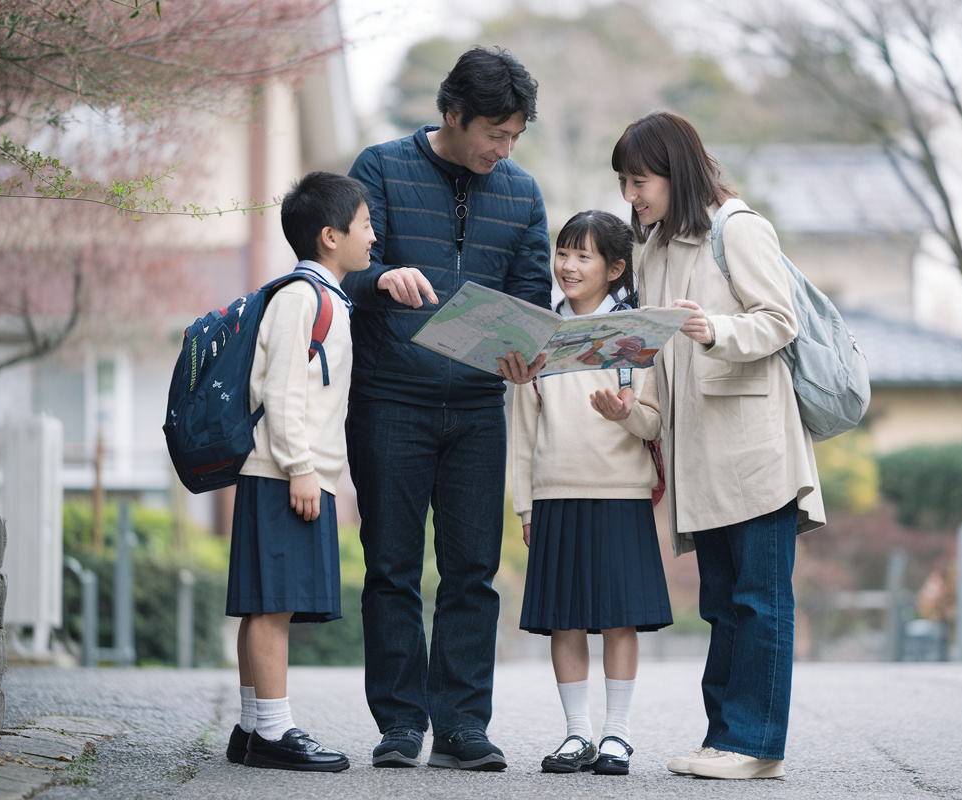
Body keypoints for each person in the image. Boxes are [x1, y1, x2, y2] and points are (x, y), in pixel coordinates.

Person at [593, 111, 826, 780]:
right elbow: (660, 365)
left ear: (676, 172)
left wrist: (715, 330)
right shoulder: (653, 249)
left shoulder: (739, 227)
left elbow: (779, 321)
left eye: (639, 181)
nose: (630, 195)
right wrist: (632, 413)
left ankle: (756, 745)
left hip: (756, 450)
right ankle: (725, 738)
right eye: (623, 181)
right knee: (722, 602)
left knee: (759, 599)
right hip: (698, 457)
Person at [341, 45, 551, 771]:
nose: (504, 149)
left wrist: (529, 347)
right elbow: (344, 269)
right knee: (391, 568)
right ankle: (401, 724)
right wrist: (380, 280)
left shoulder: (522, 193)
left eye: (515, 136)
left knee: (472, 572)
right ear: (453, 114)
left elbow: (531, 295)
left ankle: (462, 725)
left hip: (480, 406)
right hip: (389, 399)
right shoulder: (379, 168)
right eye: (495, 133)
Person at [511, 210, 672, 777]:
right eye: (563, 253)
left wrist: (627, 414)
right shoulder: (537, 334)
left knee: (620, 618)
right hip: (554, 494)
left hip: (622, 493)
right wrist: (525, 506)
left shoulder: (637, 334)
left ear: (615, 268)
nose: (568, 266)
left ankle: (616, 735)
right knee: (565, 618)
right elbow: (523, 430)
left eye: (584, 256)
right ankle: (577, 733)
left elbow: (654, 423)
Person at [223, 171, 374, 772]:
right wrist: (301, 469)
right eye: (365, 225)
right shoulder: (300, 298)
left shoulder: (326, 296)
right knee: (273, 606)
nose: (373, 236)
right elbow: (281, 390)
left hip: (285, 472)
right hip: (283, 474)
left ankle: (250, 726)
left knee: (266, 603)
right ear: (330, 236)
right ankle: (274, 730)